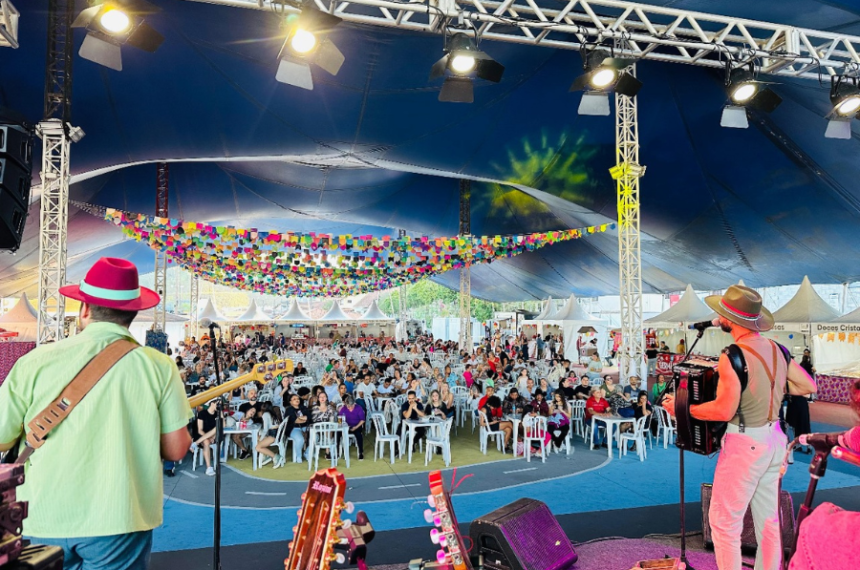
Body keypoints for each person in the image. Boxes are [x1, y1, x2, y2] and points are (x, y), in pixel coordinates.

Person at [0, 257, 191, 570]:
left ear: (84, 309)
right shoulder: (159, 366)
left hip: (39, 514)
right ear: (133, 313)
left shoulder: (35, 361)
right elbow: (176, 449)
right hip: (119, 518)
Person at [663, 285, 815, 570]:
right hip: (775, 439)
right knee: (768, 520)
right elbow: (808, 385)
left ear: (730, 320)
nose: (717, 318)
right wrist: (774, 386)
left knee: (723, 522)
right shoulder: (778, 349)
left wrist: (681, 409)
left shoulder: (733, 354)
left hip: (746, 443)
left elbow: (723, 409)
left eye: (721, 313)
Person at [283, 393, 310, 463]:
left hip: (306, 427)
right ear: (290, 402)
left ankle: (307, 453)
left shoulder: (304, 408)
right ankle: (298, 456)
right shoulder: (289, 410)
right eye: (294, 399)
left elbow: (309, 417)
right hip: (293, 428)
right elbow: (295, 421)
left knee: (316, 437)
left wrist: (302, 419)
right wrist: (303, 419)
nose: (297, 400)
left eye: (297, 399)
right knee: (300, 439)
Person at [338, 395, 366, 461]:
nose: (350, 408)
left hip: (356, 426)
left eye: (351, 406)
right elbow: (339, 419)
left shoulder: (358, 408)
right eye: (348, 406)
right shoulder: (343, 408)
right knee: (337, 434)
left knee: (359, 435)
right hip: (346, 426)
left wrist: (355, 427)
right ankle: (337, 451)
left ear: (354, 404)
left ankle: (360, 452)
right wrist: (341, 425)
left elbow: (362, 420)